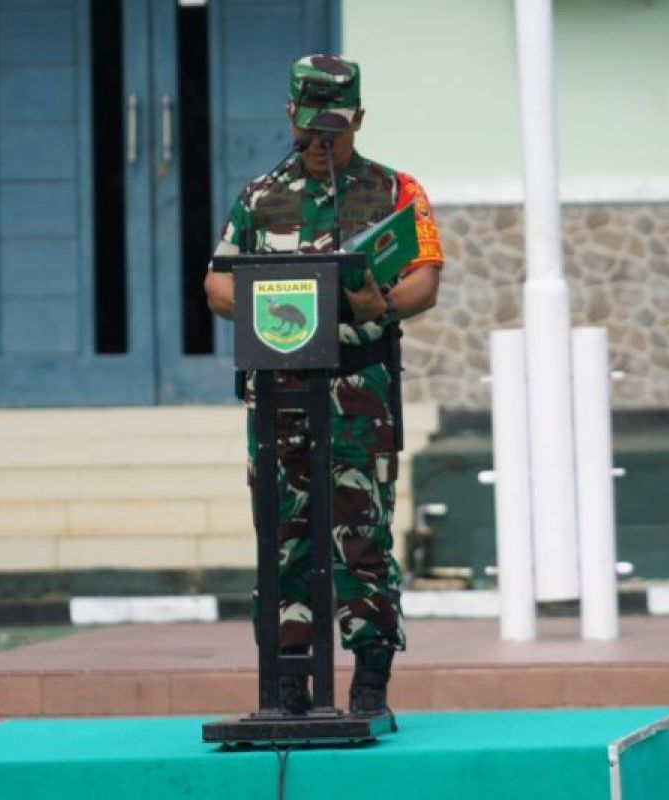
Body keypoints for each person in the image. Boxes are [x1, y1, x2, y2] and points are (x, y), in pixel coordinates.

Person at [203, 54, 443, 719]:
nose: (319, 147)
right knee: (283, 540)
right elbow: (217, 284)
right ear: (289, 116)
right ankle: (286, 683)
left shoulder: (396, 191)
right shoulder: (259, 196)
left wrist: (380, 306)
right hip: (280, 396)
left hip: (356, 396)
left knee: (360, 539)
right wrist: (262, 294)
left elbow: (425, 275)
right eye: (309, 133)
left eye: (333, 134)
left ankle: (369, 684)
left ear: (358, 121)